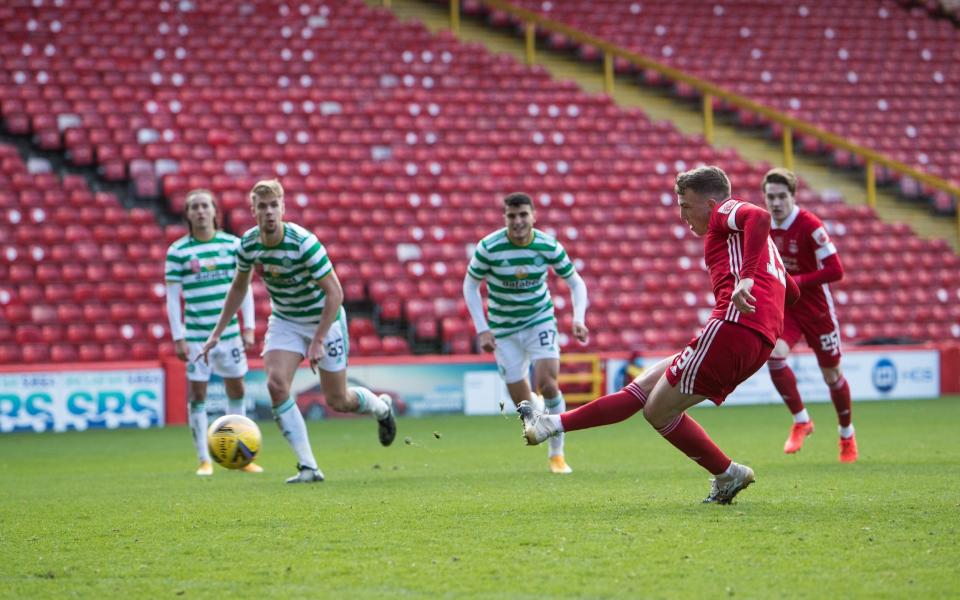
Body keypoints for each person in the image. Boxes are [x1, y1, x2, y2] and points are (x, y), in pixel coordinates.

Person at [518, 166, 800, 504]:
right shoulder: (755, 245)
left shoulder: (725, 212)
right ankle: (549, 424)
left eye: (685, 205)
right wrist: (771, 311)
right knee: (644, 388)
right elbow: (793, 292)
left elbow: (759, 216)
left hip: (734, 327)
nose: (682, 215)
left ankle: (728, 474)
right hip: (752, 336)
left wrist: (748, 279)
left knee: (657, 411)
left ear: (711, 204)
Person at [199, 179, 397, 484]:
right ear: (253, 211)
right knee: (276, 385)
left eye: (273, 205)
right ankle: (309, 467)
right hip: (286, 320)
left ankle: (381, 408)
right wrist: (217, 332)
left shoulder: (303, 242)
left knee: (338, 400)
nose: (269, 212)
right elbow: (238, 288)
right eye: (262, 206)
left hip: (324, 320)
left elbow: (335, 293)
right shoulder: (248, 245)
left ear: (282, 208)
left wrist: (318, 340)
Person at [463, 192, 589, 474]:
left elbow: (576, 283)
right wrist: (482, 329)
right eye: (511, 216)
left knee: (548, 383)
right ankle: (536, 410)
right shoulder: (489, 247)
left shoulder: (547, 245)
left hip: (539, 321)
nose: (518, 221)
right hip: (504, 330)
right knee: (525, 409)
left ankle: (557, 454)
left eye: (523, 215)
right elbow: (470, 286)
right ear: (504, 217)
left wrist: (578, 318)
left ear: (533, 216)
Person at [762, 168, 856, 462]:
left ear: (792, 197)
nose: (776, 203)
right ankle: (802, 420)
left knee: (832, 375)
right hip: (787, 308)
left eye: (781, 197)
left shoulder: (809, 225)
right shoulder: (762, 225)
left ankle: (846, 435)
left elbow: (836, 270)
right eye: (770, 197)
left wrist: (797, 281)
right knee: (773, 357)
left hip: (816, 309)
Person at [165, 189, 260, 476]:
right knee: (198, 394)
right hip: (196, 337)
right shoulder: (178, 251)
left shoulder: (233, 245)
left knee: (237, 388)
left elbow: (244, 290)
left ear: (215, 211)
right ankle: (204, 459)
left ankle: (240, 454)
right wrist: (178, 336)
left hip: (230, 334)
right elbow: (172, 297)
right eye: (194, 207)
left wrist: (249, 326)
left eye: (205, 205)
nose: (200, 211)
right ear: (188, 214)